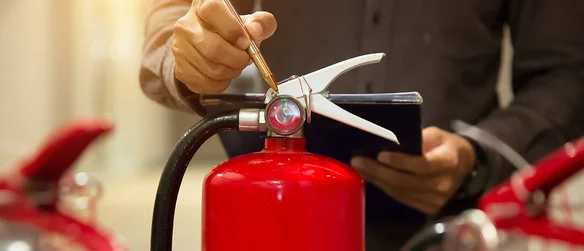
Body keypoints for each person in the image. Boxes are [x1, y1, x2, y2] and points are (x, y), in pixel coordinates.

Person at [139, 0, 584, 249]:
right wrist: (191, 52)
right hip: (271, 220)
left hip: (449, 231)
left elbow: (567, 72)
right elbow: (171, 21)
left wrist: (477, 155)